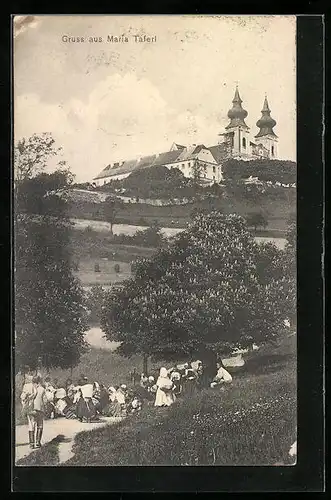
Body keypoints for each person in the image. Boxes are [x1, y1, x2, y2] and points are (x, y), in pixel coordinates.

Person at [21, 375, 48, 449]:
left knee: (31, 426)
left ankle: (32, 444)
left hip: (31, 410)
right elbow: (45, 400)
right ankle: (38, 442)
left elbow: (23, 398)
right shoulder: (42, 389)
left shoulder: (29, 388)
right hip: (40, 410)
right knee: (40, 425)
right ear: (39, 381)